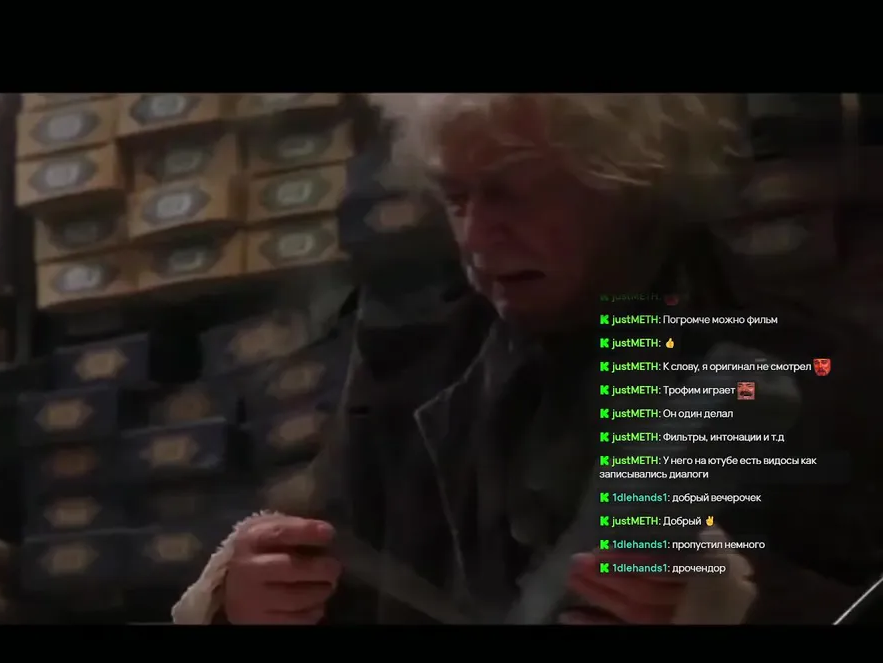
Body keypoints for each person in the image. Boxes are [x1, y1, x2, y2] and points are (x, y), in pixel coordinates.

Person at [171, 93, 883, 625]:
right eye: (456, 198)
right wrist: (249, 599)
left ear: (627, 180)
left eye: (512, 193)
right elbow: (339, 573)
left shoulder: (813, 371)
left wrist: (738, 609)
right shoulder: (412, 371)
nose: (478, 238)